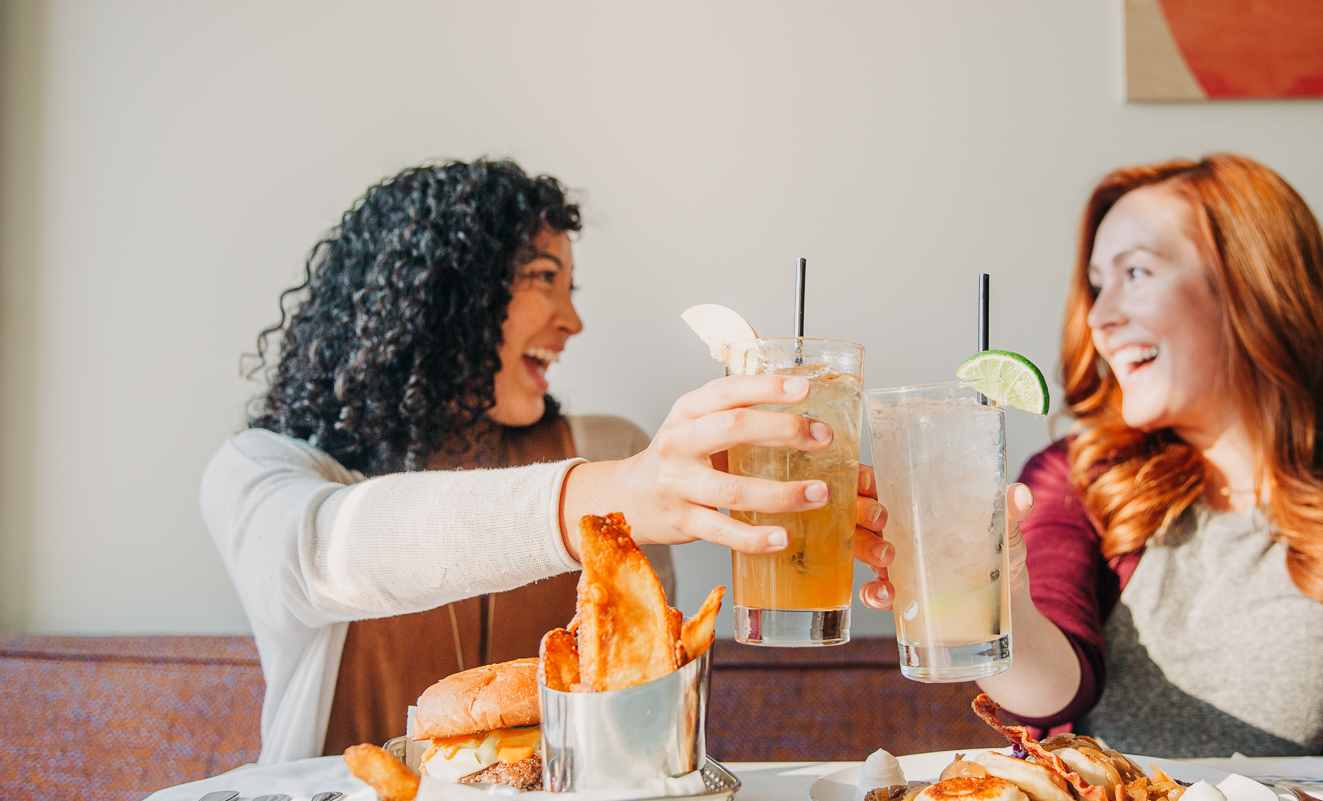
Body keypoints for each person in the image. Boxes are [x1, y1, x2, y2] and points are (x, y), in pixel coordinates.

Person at [202, 159, 892, 763]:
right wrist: (620, 492)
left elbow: (645, 717)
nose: (572, 319)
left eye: (572, 288)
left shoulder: (611, 445)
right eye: (542, 277)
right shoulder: (259, 472)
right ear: (446, 295)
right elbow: (341, 547)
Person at [973, 154, 1323, 757]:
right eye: (1097, 284)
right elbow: (1048, 690)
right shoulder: (1070, 477)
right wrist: (999, 601)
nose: (1099, 316)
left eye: (1135, 273)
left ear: (1253, 285)